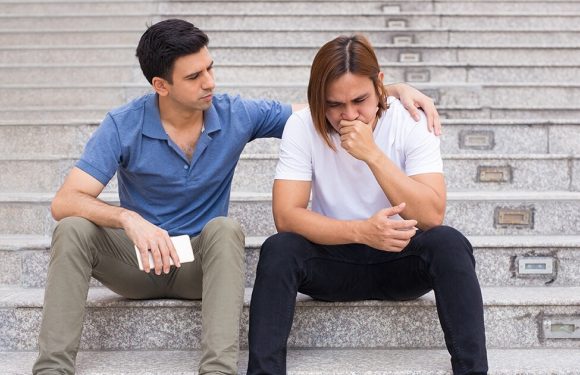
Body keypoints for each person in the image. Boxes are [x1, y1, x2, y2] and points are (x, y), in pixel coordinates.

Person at [32, 19, 441, 375]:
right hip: (139, 262)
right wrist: (129, 220)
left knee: (226, 228)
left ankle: (218, 370)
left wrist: (388, 90)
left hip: (201, 265)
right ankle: (52, 368)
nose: (209, 81)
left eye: (209, 68)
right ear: (161, 85)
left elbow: (323, 109)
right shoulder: (123, 124)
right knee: (72, 228)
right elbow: (64, 201)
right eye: (193, 77)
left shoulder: (234, 113)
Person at [247, 34, 488, 375]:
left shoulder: (411, 121)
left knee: (449, 243)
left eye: (359, 100)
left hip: (400, 259)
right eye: (334, 105)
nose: (348, 115)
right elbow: (286, 217)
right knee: (279, 249)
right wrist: (362, 231)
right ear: (318, 100)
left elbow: (432, 214)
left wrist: (373, 154)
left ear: (380, 86)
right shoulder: (302, 127)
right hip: (333, 261)